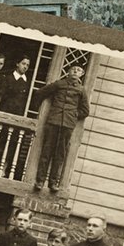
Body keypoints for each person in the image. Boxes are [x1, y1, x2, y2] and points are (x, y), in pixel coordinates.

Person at [31, 63, 89, 193]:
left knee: (60, 154)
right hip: (53, 122)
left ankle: (53, 183)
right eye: (73, 69)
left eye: (78, 70)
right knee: (47, 152)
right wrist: (37, 109)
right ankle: (40, 181)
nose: (75, 71)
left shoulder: (81, 90)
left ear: (82, 74)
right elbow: (40, 93)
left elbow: (85, 111)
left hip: (68, 124)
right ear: (68, 71)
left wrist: (74, 115)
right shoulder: (59, 84)